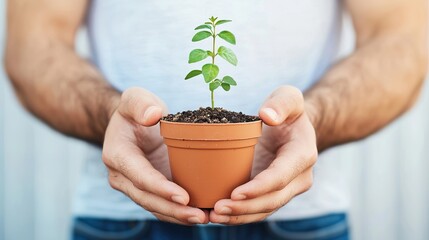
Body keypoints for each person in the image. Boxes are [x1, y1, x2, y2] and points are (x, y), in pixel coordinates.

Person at [5, 0, 427, 239]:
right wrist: (107, 114)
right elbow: (32, 48)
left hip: (302, 221)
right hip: (122, 220)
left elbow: (403, 45)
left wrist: (314, 118)